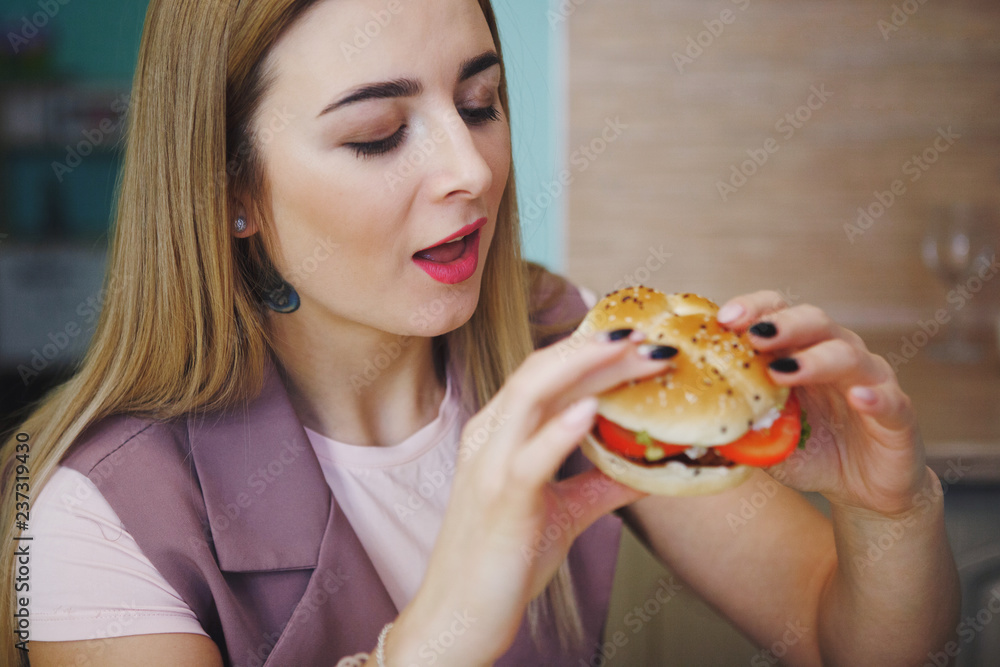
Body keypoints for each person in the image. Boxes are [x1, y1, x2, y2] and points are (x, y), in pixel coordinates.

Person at [1, 0, 960, 665]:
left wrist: (891, 508)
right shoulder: (94, 518)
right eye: (378, 132)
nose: (471, 167)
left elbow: (846, 642)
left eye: (481, 103)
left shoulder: (565, 346)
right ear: (232, 190)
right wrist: (440, 636)